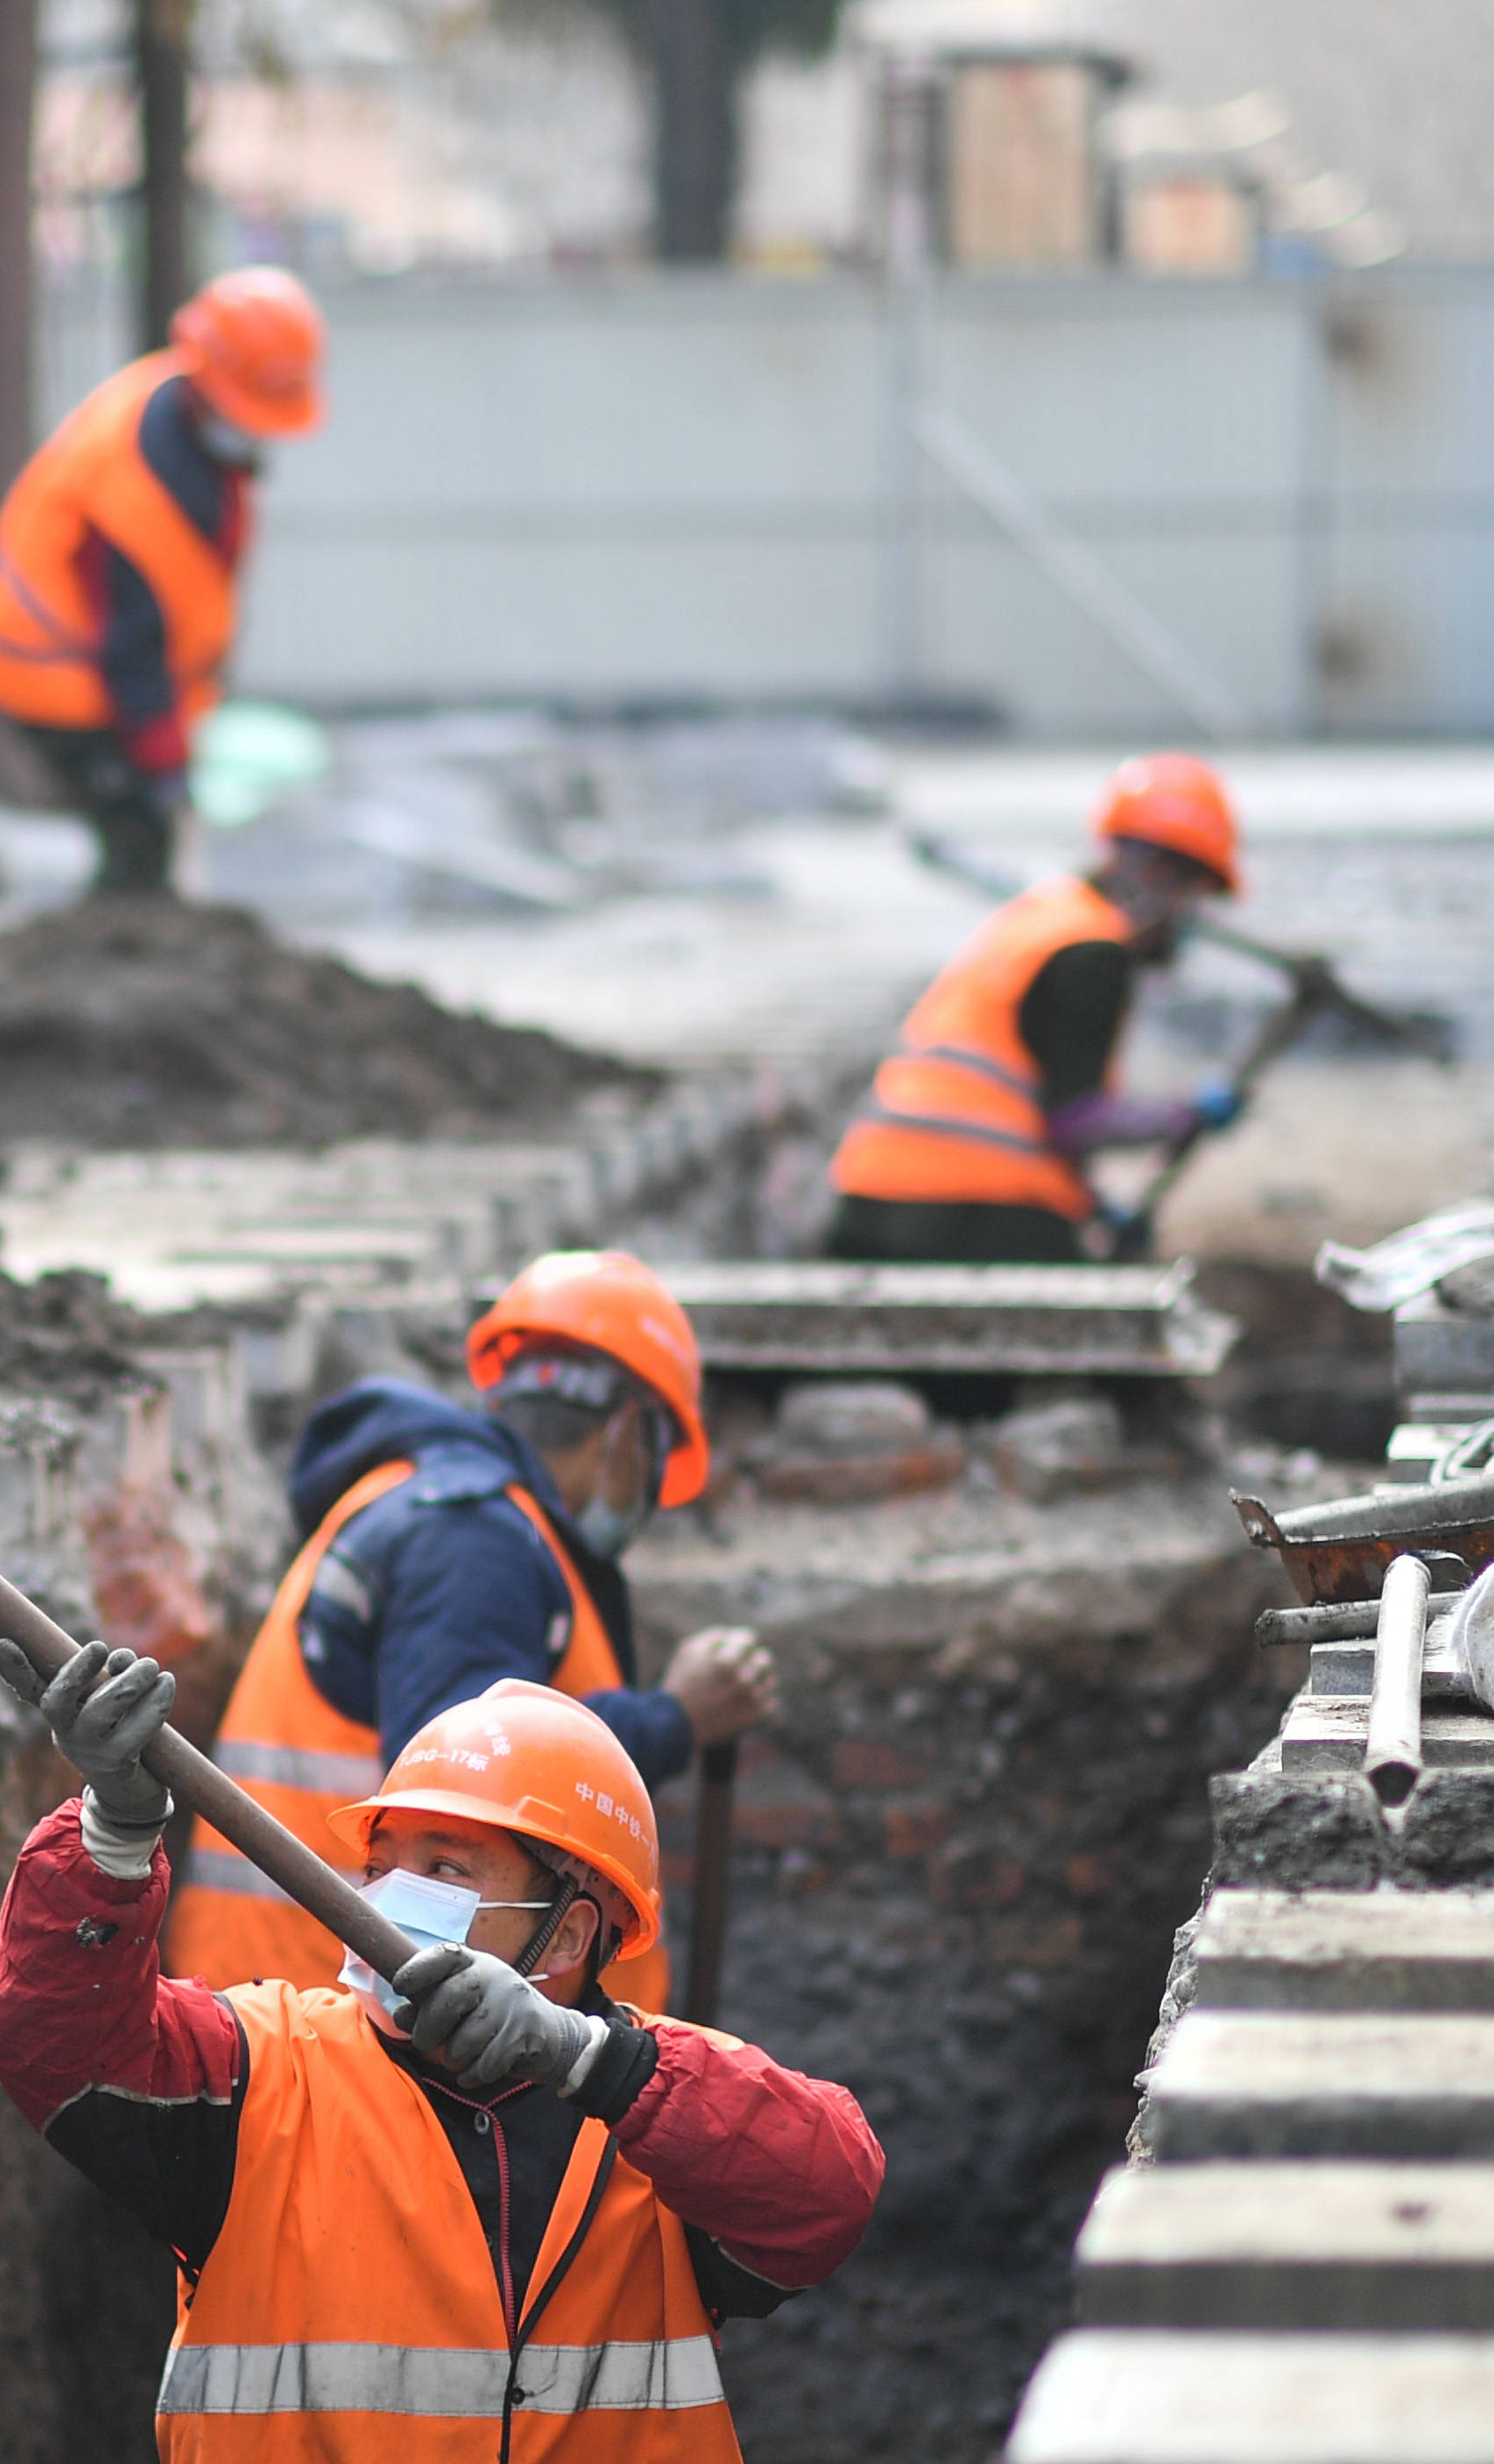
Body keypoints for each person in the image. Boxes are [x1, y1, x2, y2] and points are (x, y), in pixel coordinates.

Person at [0, 1656, 882, 2464]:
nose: (395, 1896)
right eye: (389, 1862)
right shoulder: (264, 2076)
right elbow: (55, 2037)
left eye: (449, 1871)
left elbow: (829, 2187)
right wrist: (111, 1826)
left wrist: (590, 2064)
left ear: (568, 1932)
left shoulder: (657, 2104)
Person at [171, 1248, 777, 2013]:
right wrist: (673, 1719)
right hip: (332, 2017)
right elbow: (460, 1781)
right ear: (629, 1433)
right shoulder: (472, 1540)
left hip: (330, 2004)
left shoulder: (456, 1512)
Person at [0, 266, 325, 896]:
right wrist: (163, 765)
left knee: (139, 838)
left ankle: (127, 943)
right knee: (137, 835)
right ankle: (120, 961)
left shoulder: (179, 403)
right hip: (50, 669)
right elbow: (132, 645)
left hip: (80, 659)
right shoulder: (144, 491)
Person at [824, 751, 1250, 1262]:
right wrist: (1186, 1114)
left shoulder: (1041, 921)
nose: (1190, 918)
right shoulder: (1094, 953)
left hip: (870, 1203)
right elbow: (1077, 1121)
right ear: (1163, 875)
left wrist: (1091, 1207)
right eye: (1194, 894)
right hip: (972, 1211)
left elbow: (1015, 1113)